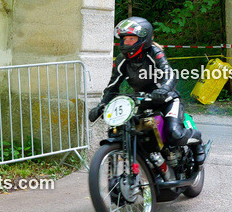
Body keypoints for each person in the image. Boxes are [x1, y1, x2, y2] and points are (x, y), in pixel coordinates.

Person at [88, 17, 207, 165]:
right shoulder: (121, 60)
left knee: (174, 134)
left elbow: (169, 74)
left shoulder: (154, 53)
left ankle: (197, 142)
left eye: (132, 39)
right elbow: (112, 86)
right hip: (143, 103)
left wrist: (164, 89)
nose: (127, 43)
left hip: (167, 100)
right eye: (125, 39)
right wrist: (102, 105)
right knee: (137, 136)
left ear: (143, 39)